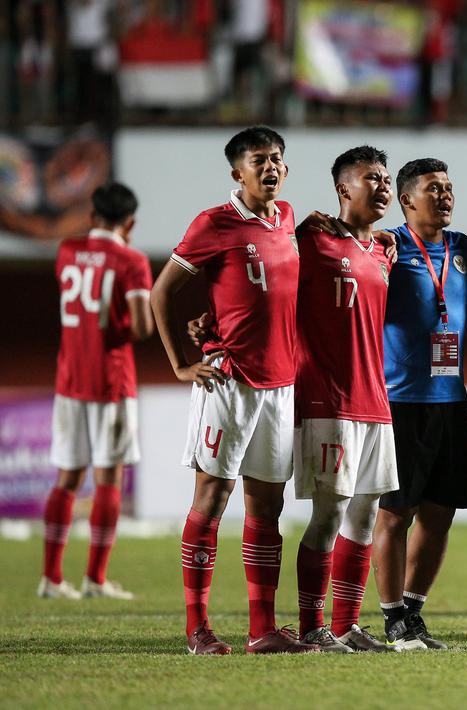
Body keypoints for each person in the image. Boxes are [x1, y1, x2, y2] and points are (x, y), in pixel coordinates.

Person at [150, 126, 317, 655]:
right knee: (212, 499)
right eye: (259, 160)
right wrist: (181, 363)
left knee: (267, 508)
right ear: (236, 172)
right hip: (229, 381)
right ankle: (197, 627)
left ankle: (262, 629)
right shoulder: (213, 223)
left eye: (277, 159)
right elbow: (160, 293)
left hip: (281, 383)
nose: (270, 167)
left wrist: (214, 315)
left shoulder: (287, 217)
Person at [291, 146, 398, 653]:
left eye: (386, 179)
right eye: (371, 178)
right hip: (327, 399)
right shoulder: (311, 240)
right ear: (342, 189)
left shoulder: (383, 251)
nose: (383, 186)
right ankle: (312, 627)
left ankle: (346, 624)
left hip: (376, 401)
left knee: (365, 515)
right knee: (329, 514)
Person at [373, 158, 467, 651]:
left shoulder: (462, 249)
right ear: (406, 199)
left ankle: (413, 612)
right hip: (400, 400)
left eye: (449, 187)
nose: (445, 196)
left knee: (441, 513)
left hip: (451, 400)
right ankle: (392, 616)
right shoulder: (386, 247)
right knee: (396, 513)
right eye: (433, 188)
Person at [40, 182, 153, 601]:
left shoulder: (66, 251)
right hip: (110, 381)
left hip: (69, 380)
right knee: (109, 478)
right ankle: (95, 578)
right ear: (131, 223)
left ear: (92, 217)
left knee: (67, 477)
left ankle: (51, 577)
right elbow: (142, 327)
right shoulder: (132, 260)